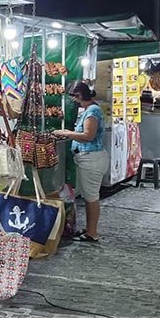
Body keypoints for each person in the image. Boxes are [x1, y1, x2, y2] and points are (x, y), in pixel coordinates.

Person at [53, 82, 107, 243]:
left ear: (79, 95)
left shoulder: (92, 111)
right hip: (89, 157)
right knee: (90, 195)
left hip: (91, 158)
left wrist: (67, 133)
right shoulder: (91, 110)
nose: (74, 101)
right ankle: (90, 229)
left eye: (74, 97)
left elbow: (88, 135)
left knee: (91, 197)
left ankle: (92, 233)